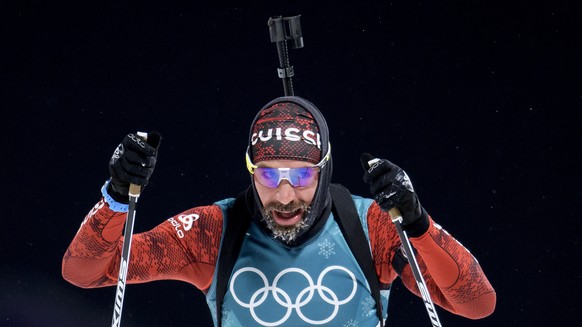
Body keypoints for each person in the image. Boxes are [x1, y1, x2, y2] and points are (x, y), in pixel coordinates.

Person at [62, 96, 496, 326]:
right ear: (250, 172)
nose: (285, 197)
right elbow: (82, 272)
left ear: (324, 172)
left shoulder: (371, 226)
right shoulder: (214, 231)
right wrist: (117, 197)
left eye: (302, 177)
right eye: (268, 176)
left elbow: (476, 304)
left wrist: (418, 223)